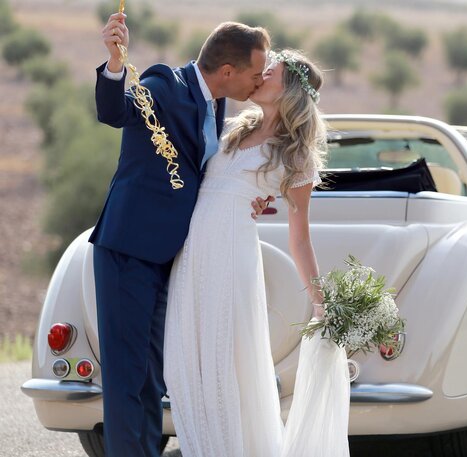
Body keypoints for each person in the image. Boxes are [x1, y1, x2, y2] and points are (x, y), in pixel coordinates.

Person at [92, 13, 274, 456]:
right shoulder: (164, 84)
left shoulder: (217, 104)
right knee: (127, 378)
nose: (258, 81)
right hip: (128, 251)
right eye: (254, 73)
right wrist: (115, 63)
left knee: (152, 379)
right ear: (228, 71)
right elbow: (115, 111)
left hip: (168, 258)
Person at [163, 49, 350, 456]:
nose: (260, 75)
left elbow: (299, 236)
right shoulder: (232, 127)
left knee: (223, 369)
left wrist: (320, 303)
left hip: (232, 261)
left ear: (290, 92)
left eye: (271, 73)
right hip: (191, 258)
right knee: (181, 366)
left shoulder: (295, 153)